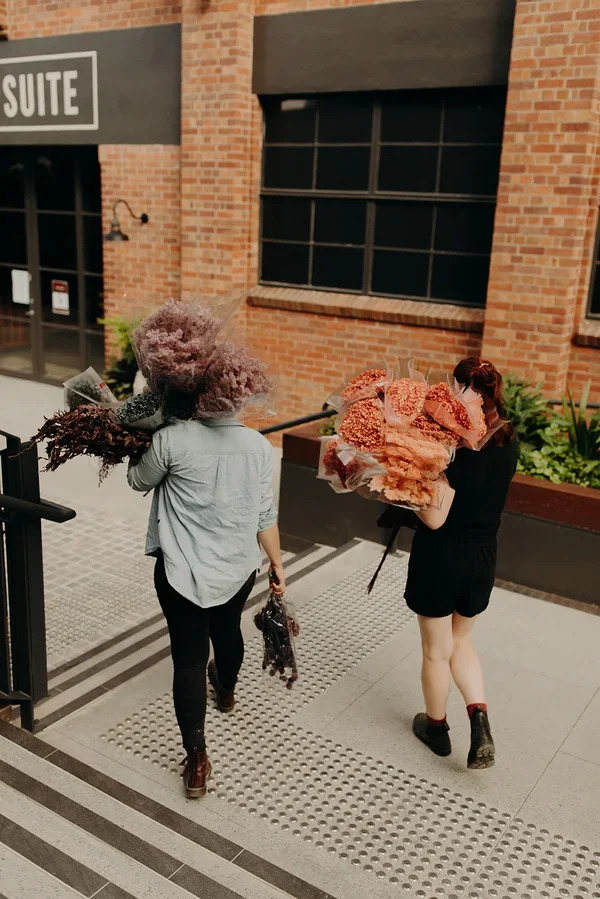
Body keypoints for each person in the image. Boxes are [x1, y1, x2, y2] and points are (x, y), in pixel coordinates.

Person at [127, 415, 285, 798]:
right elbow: (264, 515)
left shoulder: (170, 439)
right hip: (237, 568)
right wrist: (277, 564)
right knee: (227, 629)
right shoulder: (258, 446)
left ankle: (197, 761)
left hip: (180, 570)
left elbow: (138, 481)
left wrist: (135, 442)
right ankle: (226, 691)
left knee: (189, 661)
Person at [404, 357, 518, 769]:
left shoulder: (446, 447)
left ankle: (436, 728)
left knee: (436, 651)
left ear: (461, 391)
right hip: (482, 556)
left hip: (440, 555)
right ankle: (479, 718)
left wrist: (406, 484)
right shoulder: (508, 439)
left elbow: (435, 518)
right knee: (462, 640)